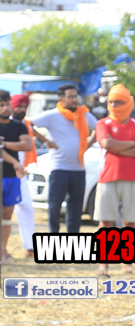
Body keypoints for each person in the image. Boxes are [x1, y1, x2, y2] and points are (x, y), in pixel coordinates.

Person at [94, 85, 135, 275]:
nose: (114, 105)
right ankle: (103, 265)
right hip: (108, 176)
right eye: (111, 102)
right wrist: (133, 145)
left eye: (118, 102)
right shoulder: (103, 123)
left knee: (130, 222)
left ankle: (127, 264)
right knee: (106, 222)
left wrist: (117, 147)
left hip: (134, 177)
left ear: (128, 103)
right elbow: (106, 143)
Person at [31, 83, 96, 234]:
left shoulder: (83, 114)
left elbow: (100, 128)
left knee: (76, 207)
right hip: (59, 169)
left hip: (78, 169)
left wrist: (89, 143)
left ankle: (73, 238)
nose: (75, 100)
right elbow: (28, 124)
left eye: (76, 96)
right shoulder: (52, 115)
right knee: (55, 206)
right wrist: (46, 141)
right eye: (71, 97)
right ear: (61, 99)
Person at [0, 91, 32, 265]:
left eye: (7, 104)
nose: (5, 108)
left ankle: (2, 252)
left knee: (7, 214)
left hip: (12, 177)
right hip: (6, 172)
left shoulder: (19, 126)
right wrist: (14, 161)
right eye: (1, 105)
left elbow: (27, 145)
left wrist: (3, 143)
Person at [10, 94, 38, 257]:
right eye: (18, 106)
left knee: (26, 207)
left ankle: (29, 247)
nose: (21, 109)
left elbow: (32, 137)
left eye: (24, 107)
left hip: (21, 174)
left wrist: (47, 141)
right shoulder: (5, 124)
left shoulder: (25, 124)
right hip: (5, 171)